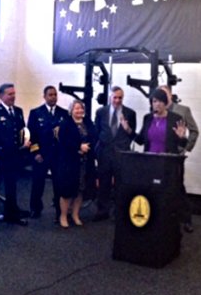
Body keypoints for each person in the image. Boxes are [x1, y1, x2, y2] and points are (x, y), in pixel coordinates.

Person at [0, 83, 29, 228]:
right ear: (1, 95)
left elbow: (20, 131)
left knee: (12, 186)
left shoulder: (18, 111)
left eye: (14, 94)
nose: (13, 97)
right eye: (10, 94)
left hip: (14, 156)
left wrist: (24, 144)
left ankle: (11, 214)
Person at [93, 86, 136, 221]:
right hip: (104, 153)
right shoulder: (101, 112)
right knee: (104, 184)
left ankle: (119, 212)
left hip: (121, 154)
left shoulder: (130, 113)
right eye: (115, 97)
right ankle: (102, 211)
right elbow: (97, 132)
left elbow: (132, 134)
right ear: (110, 97)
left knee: (120, 185)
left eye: (120, 98)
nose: (117, 100)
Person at [160, 84, 199, 233]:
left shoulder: (183, 110)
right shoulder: (157, 110)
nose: (161, 98)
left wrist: (185, 148)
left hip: (176, 157)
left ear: (170, 95)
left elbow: (194, 131)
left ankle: (186, 219)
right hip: (160, 156)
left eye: (164, 94)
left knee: (178, 188)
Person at [28, 85, 69, 221]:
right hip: (41, 155)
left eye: (55, 95)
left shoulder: (64, 113)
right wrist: (36, 153)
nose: (53, 97)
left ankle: (59, 211)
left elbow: (66, 135)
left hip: (58, 156)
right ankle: (35, 208)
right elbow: (31, 136)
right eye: (50, 95)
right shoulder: (36, 113)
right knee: (38, 183)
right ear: (44, 96)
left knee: (58, 184)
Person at [54, 100, 96, 228]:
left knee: (80, 190)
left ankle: (75, 215)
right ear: (71, 110)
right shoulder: (65, 124)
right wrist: (79, 147)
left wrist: (89, 147)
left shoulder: (88, 122)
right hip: (70, 163)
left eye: (81, 109)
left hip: (85, 163)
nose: (79, 111)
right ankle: (63, 216)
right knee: (67, 191)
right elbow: (64, 142)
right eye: (76, 109)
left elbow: (94, 137)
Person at [134, 89, 188, 153]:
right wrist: (129, 130)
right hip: (149, 159)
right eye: (154, 101)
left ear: (165, 103)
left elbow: (183, 145)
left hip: (167, 160)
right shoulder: (148, 118)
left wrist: (182, 138)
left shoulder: (175, 119)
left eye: (160, 101)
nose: (157, 104)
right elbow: (140, 141)